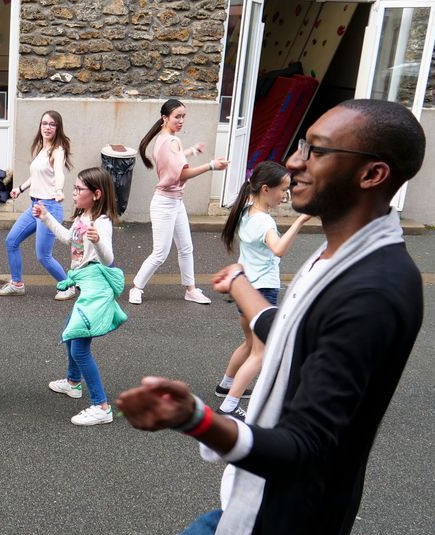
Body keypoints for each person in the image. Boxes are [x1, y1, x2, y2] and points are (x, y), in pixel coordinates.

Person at [106, 99, 426, 535]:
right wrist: (248, 295)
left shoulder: (374, 289)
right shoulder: (342, 255)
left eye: (316, 150)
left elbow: (306, 448)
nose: (295, 164)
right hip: (297, 510)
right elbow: (297, 337)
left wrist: (196, 417)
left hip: (276, 515)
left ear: (373, 174)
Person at [214, 161, 311, 419]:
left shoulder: (246, 212)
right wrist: (300, 221)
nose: (285, 195)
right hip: (263, 292)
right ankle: (229, 407)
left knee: (248, 344)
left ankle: (225, 385)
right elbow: (278, 249)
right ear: (265, 189)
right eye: (283, 190)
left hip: (245, 289)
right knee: (261, 352)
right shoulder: (265, 222)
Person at [34, 167, 126, 426]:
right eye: (73, 188)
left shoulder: (102, 223)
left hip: (96, 289)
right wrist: (45, 218)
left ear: (96, 194)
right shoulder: (82, 217)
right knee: (70, 332)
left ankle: (102, 406)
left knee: (79, 347)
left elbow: (108, 259)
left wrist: (97, 241)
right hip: (85, 285)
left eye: (78, 189)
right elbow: (68, 238)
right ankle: (73, 383)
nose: (73, 193)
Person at [126, 99, 228, 305]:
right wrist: (211, 165)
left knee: (186, 247)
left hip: (175, 202)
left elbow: (174, 157)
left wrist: (191, 151)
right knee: (160, 253)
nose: (181, 121)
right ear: (165, 118)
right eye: (177, 117)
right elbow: (183, 174)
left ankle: (190, 289)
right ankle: (136, 288)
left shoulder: (165, 139)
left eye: (183, 116)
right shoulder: (171, 141)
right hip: (164, 203)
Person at [0, 109, 73, 299]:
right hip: (35, 205)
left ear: (58, 128)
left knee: (43, 256)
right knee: (11, 241)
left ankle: (68, 287)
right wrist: (20, 188)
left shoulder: (58, 150)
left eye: (52, 124)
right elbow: (37, 176)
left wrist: (59, 190)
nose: (47, 127)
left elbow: (59, 173)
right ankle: (17, 283)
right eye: (44, 123)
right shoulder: (42, 148)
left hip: (49, 207)